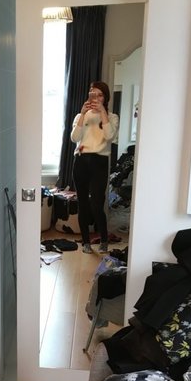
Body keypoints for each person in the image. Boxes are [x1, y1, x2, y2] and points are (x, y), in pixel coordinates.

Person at [71, 81, 119, 254]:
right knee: (82, 203)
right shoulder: (80, 115)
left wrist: (103, 112)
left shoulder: (112, 117)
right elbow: (74, 138)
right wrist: (83, 114)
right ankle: (86, 242)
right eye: (93, 94)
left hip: (99, 162)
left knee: (97, 204)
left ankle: (104, 239)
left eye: (100, 95)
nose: (96, 98)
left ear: (105, 98)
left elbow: (109, 136)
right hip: (81, 161)